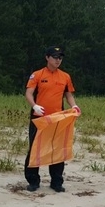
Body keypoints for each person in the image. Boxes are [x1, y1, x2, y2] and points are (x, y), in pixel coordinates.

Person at [24, 46, 80, 192]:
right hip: (39, 117)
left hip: (57, 118)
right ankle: (33, 180)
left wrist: (74, 106)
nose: (58, 60)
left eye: (60, 57)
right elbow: (29, 93)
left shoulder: (65, 76)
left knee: (57, 149)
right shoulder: (37, 75)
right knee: (35, 148)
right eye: (55, 57)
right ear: (47, 57)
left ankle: (56, 181)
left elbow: (68, 94)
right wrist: (34, 105)